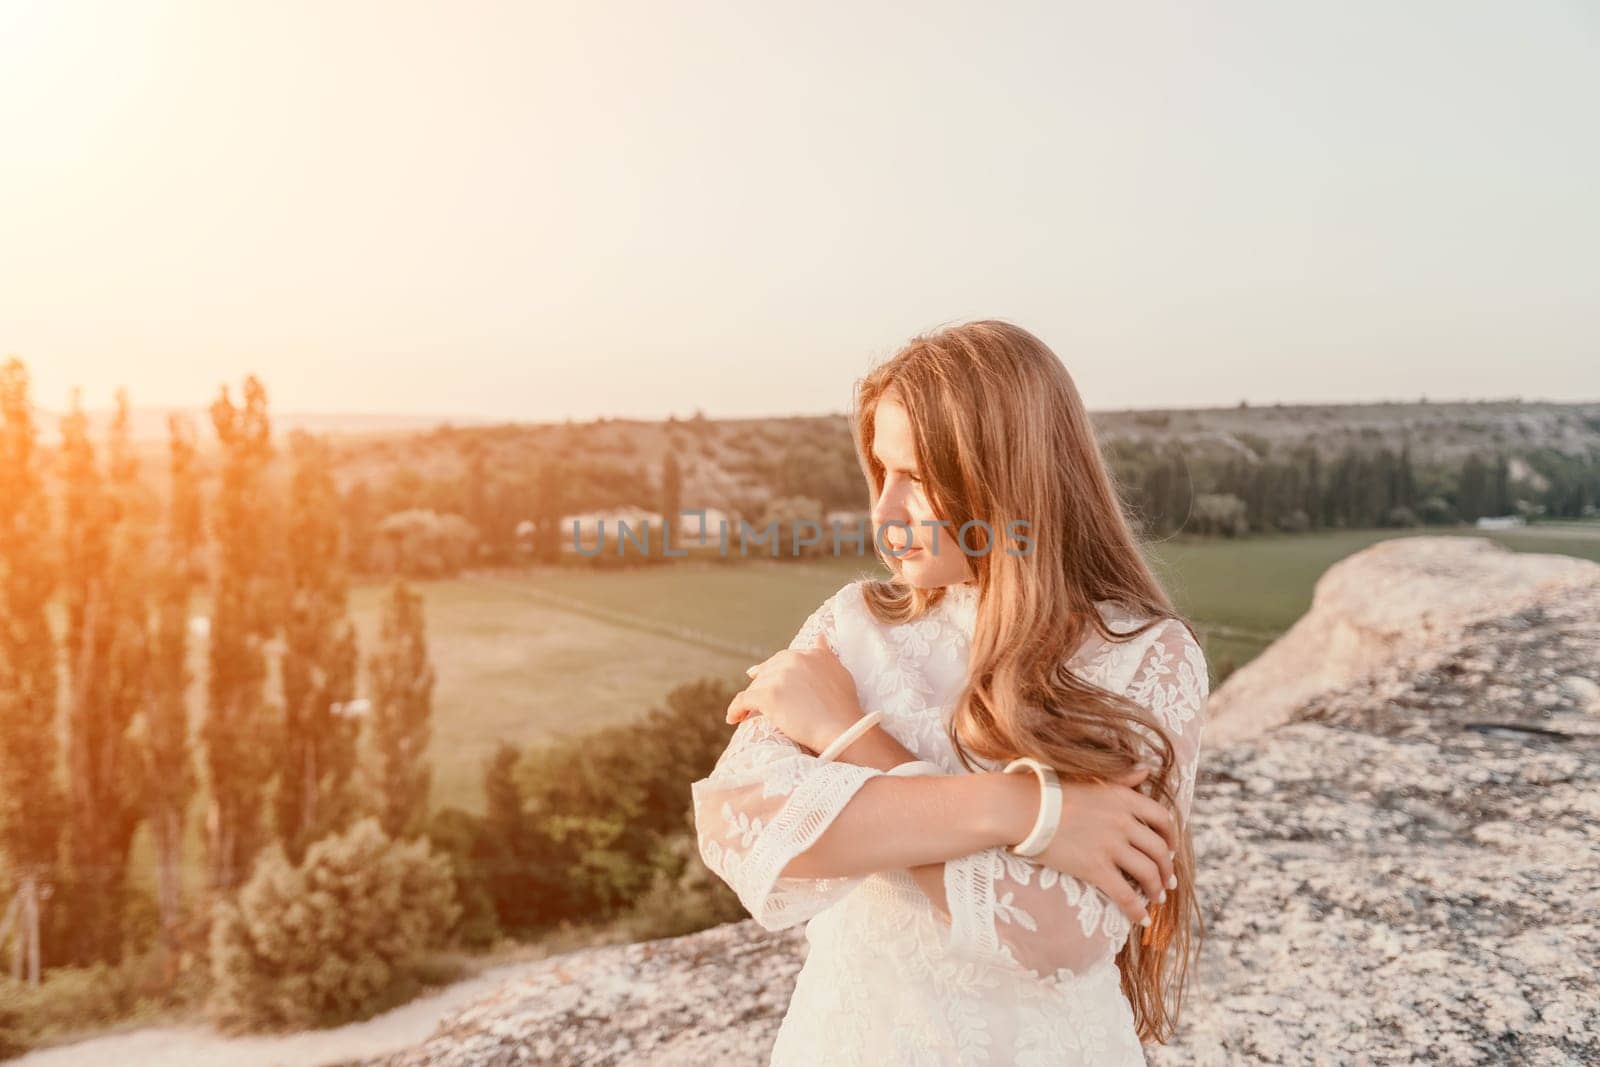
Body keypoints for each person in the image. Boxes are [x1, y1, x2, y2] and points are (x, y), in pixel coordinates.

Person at [689, 320, 1209, 1065]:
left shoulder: (1145, 660)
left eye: (921, 478)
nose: (886, 512)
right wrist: (1027, 809)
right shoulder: (850, 626)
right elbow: (747, 823)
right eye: (882, 470)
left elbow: (1058, 933)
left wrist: (851, 741)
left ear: (1008, 476)